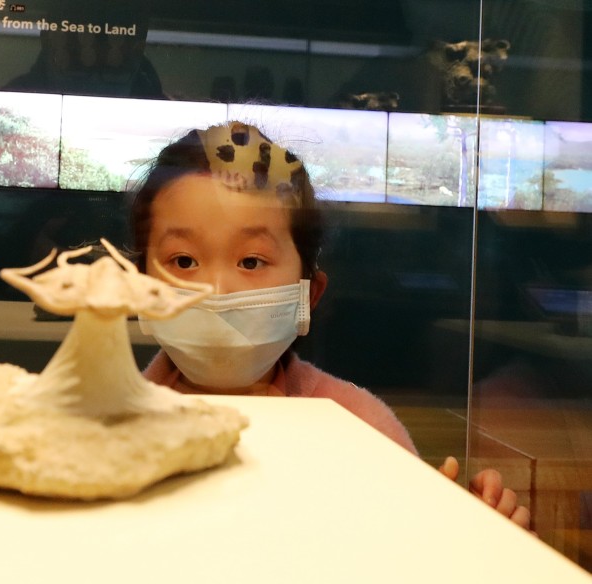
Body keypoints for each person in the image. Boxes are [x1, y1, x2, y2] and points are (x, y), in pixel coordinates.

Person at [131, 121, 531, 530]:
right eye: (183, 261)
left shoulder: (361, 426)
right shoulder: (106, 427)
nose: (216, 292)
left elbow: (410, 547)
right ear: (137, 283)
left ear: (309, 293)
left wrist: (470, 532)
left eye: (251, 261)